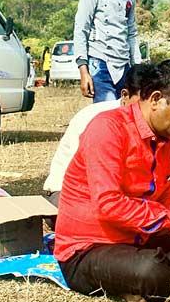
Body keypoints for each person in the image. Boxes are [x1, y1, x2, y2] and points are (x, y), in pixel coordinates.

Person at [54, 59, 170, 302]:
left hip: (138, 240)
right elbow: (108, 204)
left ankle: (143, 282)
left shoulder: (163, 137)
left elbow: (167, 193)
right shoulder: (107, 128)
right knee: (150, 269)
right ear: (155, 99)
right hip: (88, 250)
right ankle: (147, 280)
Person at [43, 62, 152, 206]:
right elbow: (91, 179)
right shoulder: (96, 118)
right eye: (140, 104)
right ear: (124, 95)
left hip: (115, 195)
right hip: (71, 193)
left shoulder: (151, 124)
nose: (145, 111)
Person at [73, 0, 140, 102]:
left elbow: (131, 34)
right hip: (100, 64)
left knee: (125, 112)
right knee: (107, 110)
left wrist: (137, 68)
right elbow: (81, 31)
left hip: (124, 66)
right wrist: (84, 72)